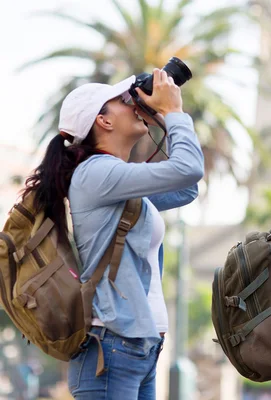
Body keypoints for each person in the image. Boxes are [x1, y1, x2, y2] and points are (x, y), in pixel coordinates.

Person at [21, 69, 204, 399]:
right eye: (122, 101)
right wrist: (173, 113)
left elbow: (187, 187)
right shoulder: (97, 173)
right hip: (110, 347)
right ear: (103, 121)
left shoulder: (118, 180)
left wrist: (160, 113)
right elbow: (188, 169)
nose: (132, 103)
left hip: (139, 346)